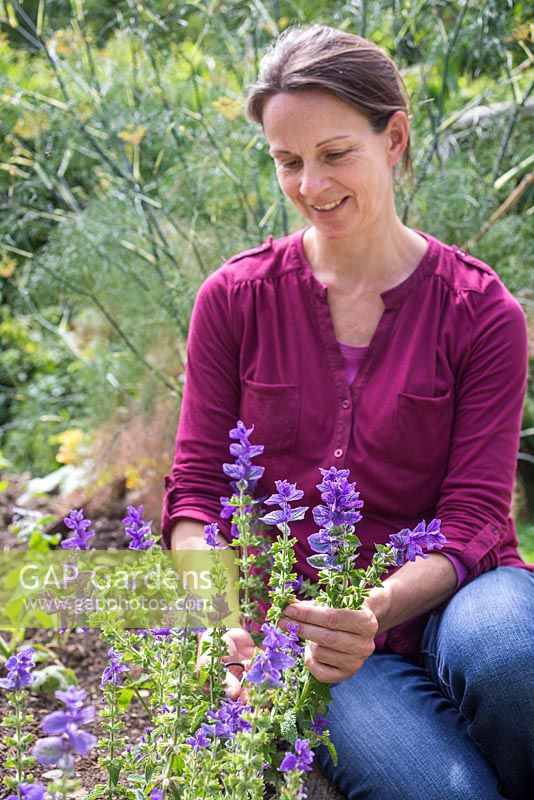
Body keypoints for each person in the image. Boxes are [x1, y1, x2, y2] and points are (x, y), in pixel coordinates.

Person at [161, 24, 533, 800]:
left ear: (393, 138)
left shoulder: (482, 312)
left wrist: (379, 602)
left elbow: (473, 518)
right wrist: (214, 621)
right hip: (310, 635)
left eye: (334, 154)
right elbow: (196, 492)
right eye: (287, 161)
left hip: (460, 593)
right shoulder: (235, 300)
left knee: (513, 661)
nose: (310, 185)